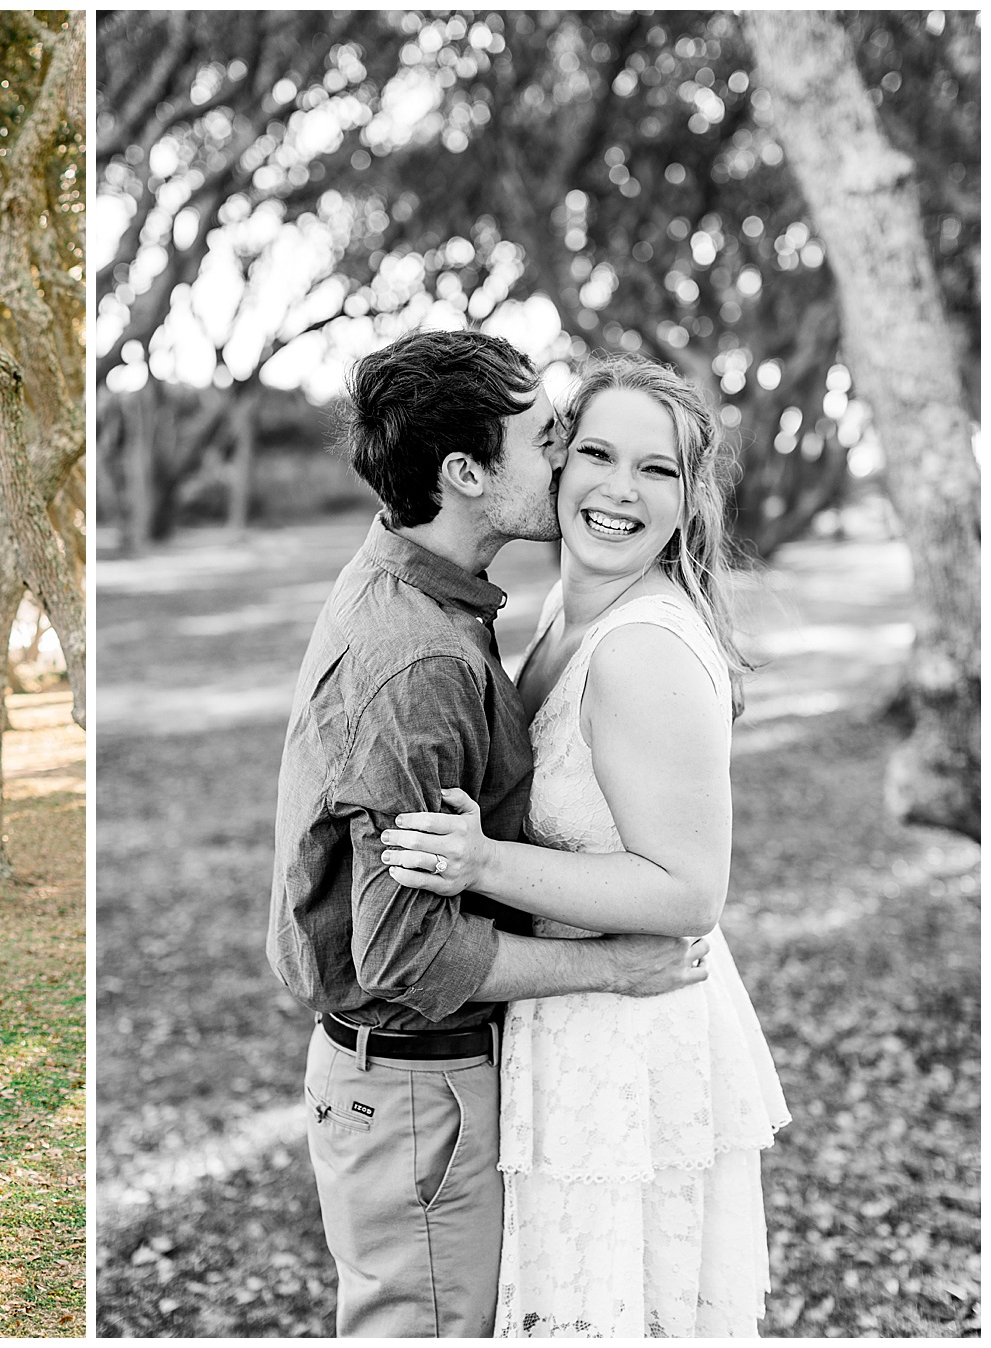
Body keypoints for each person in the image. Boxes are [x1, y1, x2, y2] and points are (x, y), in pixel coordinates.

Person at [266, 329, 713, 1338]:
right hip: (415, 1092)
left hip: (427, 1086)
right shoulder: (421, 660)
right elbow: (406, 954)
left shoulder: (434, 594)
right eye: (550, 439)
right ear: (467, 473)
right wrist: (613, 967)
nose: (564, 461)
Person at [377, 353, 789, 1336]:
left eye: (657, 469)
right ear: (557, 463)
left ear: (688, 498)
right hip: (575, 1011)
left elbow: (690, 892)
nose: (620, 490)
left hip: (631, 1039)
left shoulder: (643, 646)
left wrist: (484, 862)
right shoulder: (571, 609)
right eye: (598, 454)